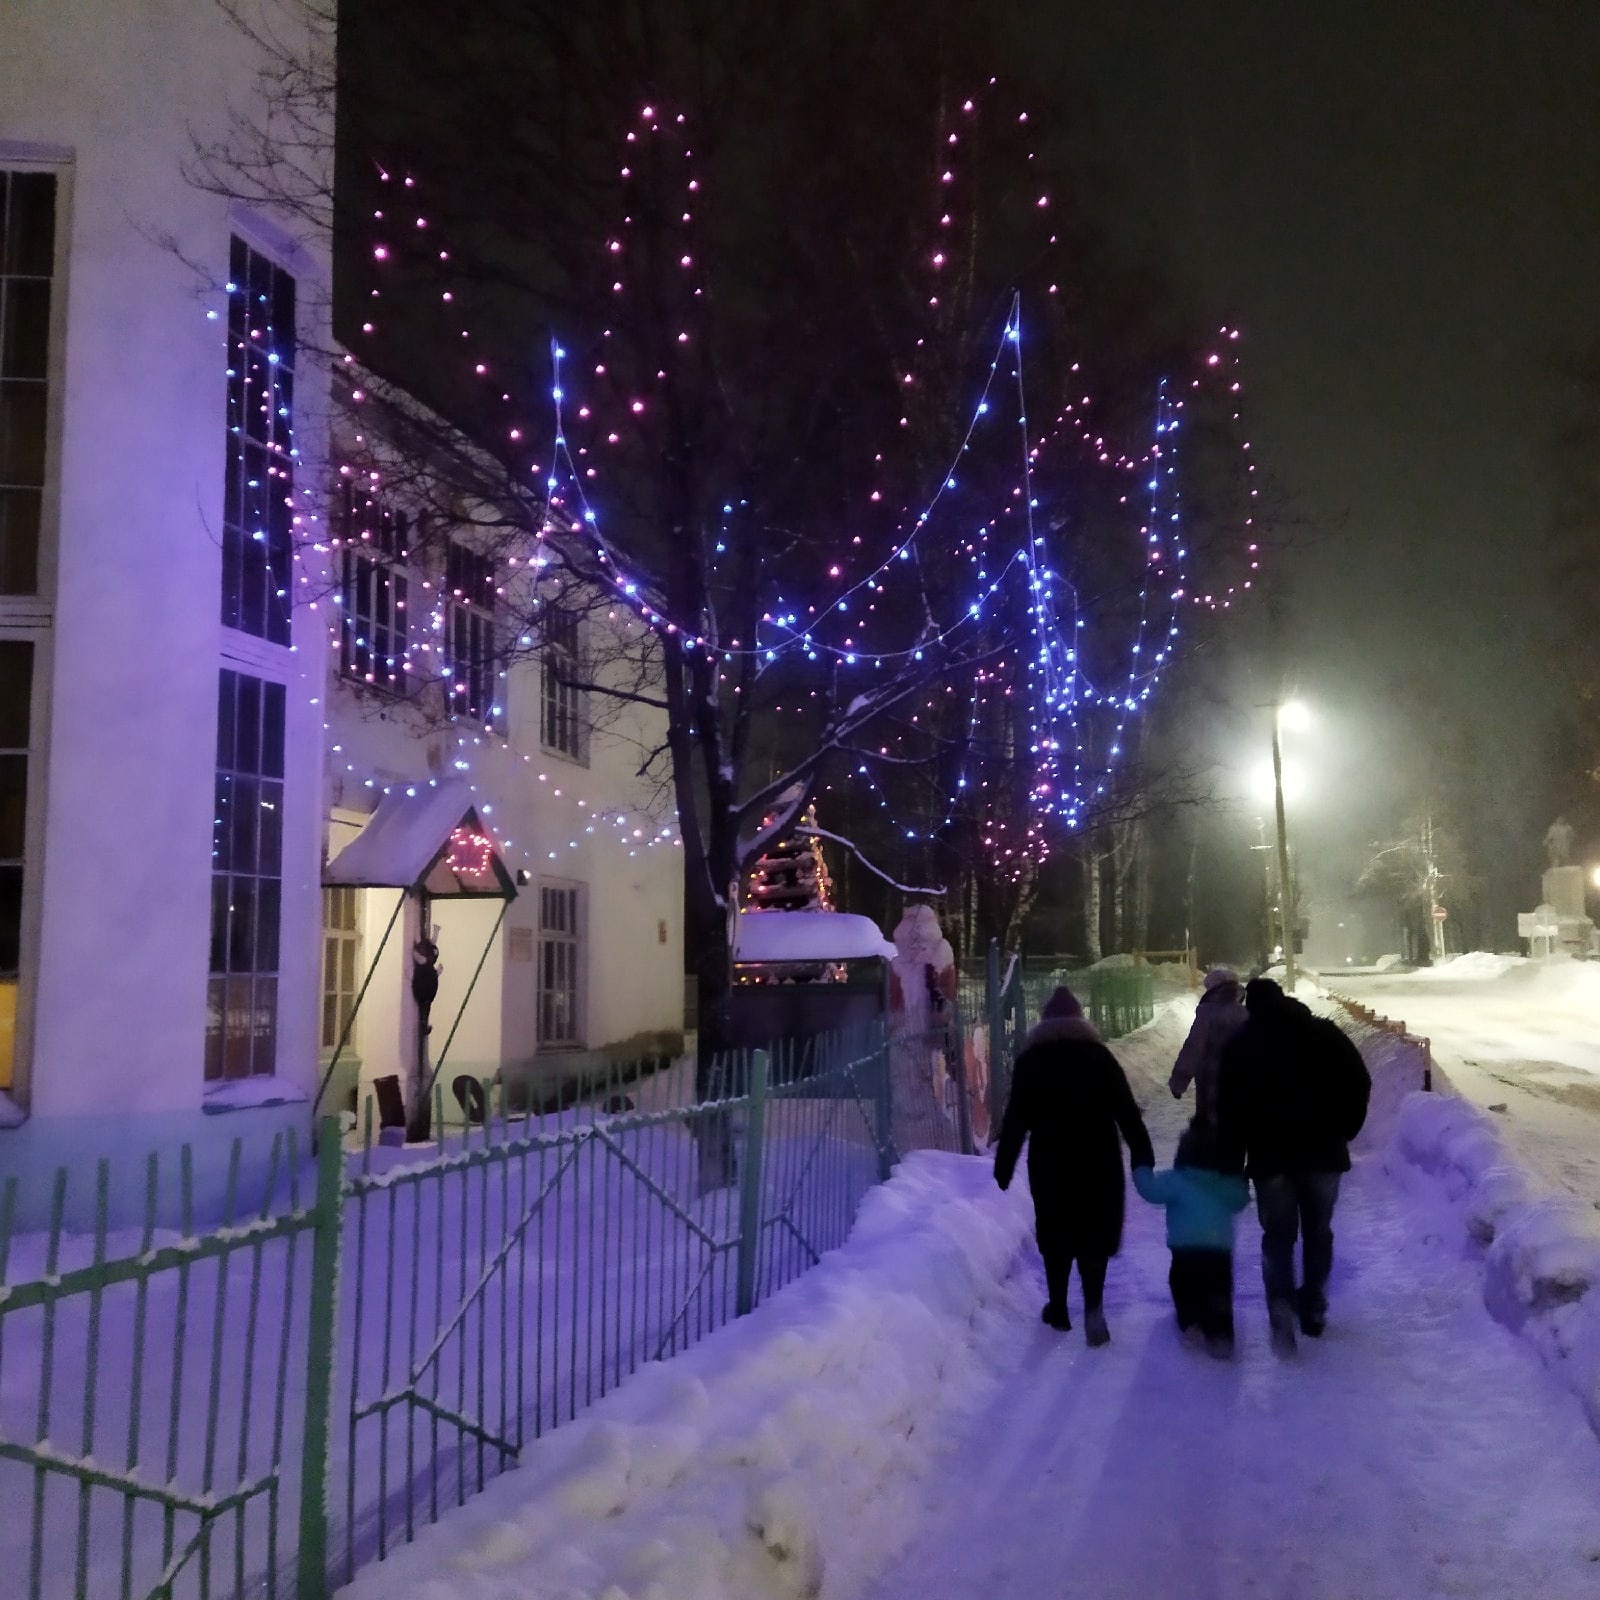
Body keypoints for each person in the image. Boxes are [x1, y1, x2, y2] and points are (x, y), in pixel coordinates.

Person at [1216, 977, 1371, 1354]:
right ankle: (1314, 1305)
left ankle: (1281, 1307)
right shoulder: (1324, 1034)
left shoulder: (1240, 1046)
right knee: (1319, 1232)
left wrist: (1233, 1167)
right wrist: (1346, 1128)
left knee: (1277, 1238)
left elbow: (1230, 1113)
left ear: (1250, 1008)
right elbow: (1359, 1080)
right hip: (1324, 1154)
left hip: (1271, 1160)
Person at [994, 985, 1154, 1346]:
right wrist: (1143, 1155)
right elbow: (1126, 1110)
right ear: (1081, 1020)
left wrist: (1004, 1165)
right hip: (1098, 1158)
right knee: (1094, 1233)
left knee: (1056, 1232)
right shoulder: (1099, 1057)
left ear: (1045, 1022)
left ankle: (1059, 1307)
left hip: (1051, 1159)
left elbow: (1017, 1117)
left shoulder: (1031, 1061)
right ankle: (1094, 1309)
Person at [1132, 1117, 1252, 1359]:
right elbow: (1240, 1199)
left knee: (1183, 1285)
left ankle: (1191, 1323)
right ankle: (1220, 1335)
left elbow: (1150, 1190)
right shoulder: (1224, 1183)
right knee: (1219, 1290)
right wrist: (1241, 1181)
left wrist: (1141, 1166)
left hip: (1184, 1250)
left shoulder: (1175, 1180)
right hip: (1218, 1250)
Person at [1167, 966, 1247, 1125]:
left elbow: (1193, 1048)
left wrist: (1178, 1083)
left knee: (1212, 1130)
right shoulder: (1245, 1013)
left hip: (1211, 1082)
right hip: (1241, 1082)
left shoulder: (1207, 1013)